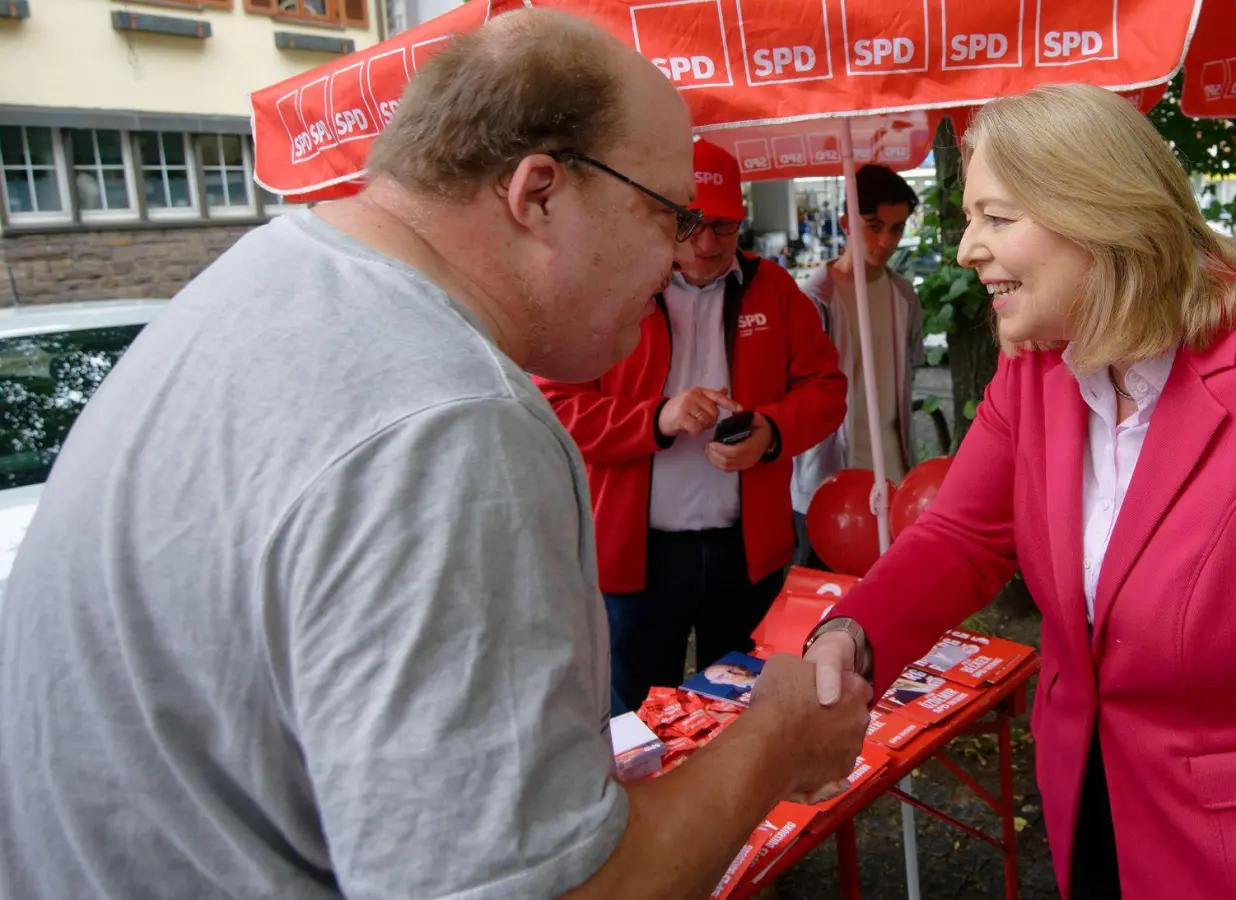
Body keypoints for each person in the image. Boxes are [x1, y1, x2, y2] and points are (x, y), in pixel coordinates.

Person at [0, 12, 870, 900]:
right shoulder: (451, 421)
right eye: (666, 214)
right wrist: (774, 742)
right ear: (538, 193)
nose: (676, 258)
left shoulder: (260, 284)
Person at [804, 84, 1236, 900]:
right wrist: (853, 633)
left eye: (995, 219)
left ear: (1099, 215)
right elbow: (963, 535)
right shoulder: (1040, 365)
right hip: (1093, 817)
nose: (966, 249)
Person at [536, 138, 846, 716]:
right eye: (691, 223)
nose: (707, 244)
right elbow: (555, 406)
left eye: (724, 227)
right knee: (635, 716)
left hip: (746, 550)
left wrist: (771, 432)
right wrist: (657, 418)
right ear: (665, 213)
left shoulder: (774, 290)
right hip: (639, 555)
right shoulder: (610, 289)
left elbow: (827, 391)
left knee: (746, 708)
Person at [791, 163, 924, 570]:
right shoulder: (813, 299)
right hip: (826, 481)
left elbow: (908, 379)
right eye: (874, 224)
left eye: (897, 228)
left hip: (893, 473)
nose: (887, 239)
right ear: (847, 220)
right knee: (823, 603)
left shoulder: (904, 297)